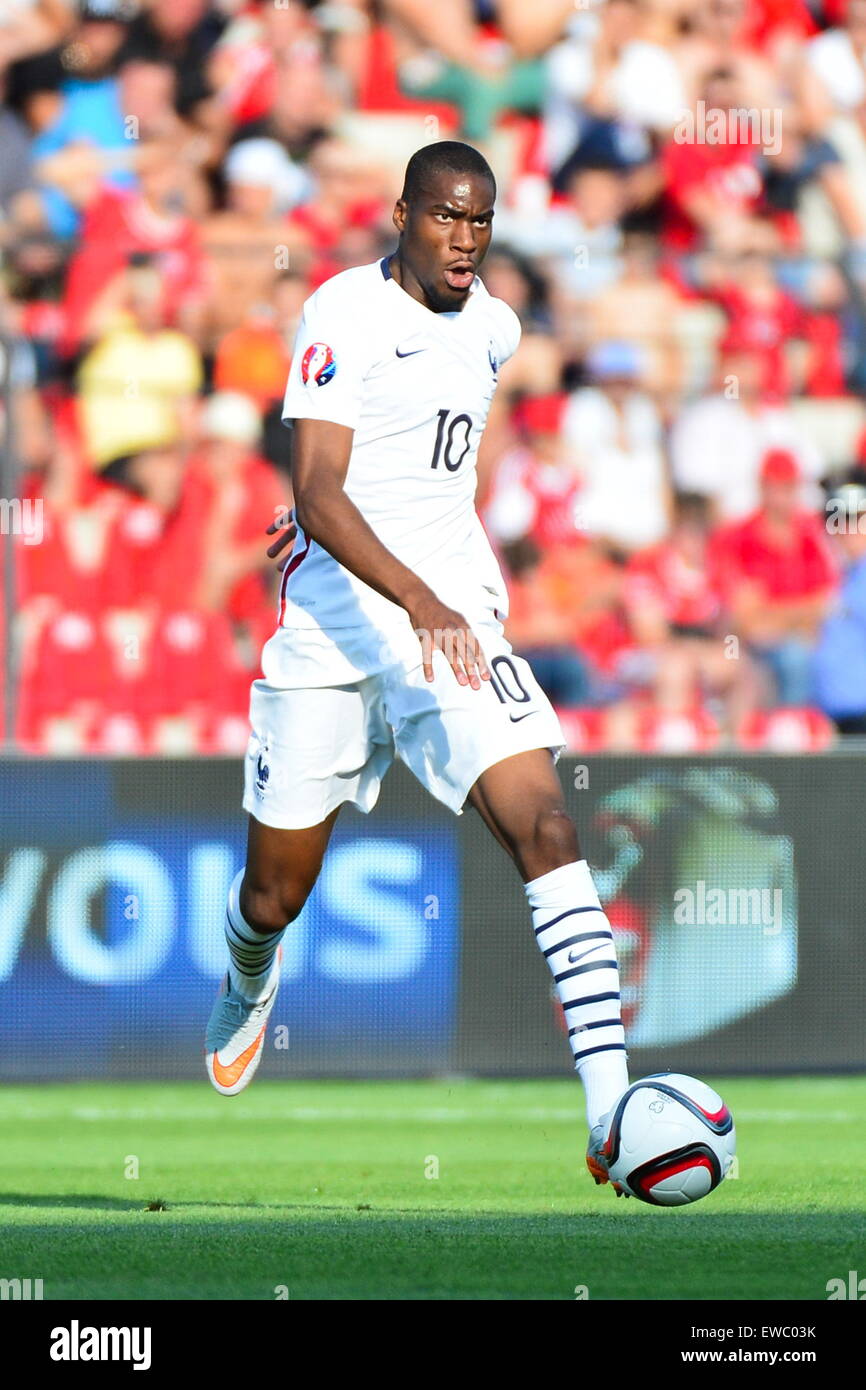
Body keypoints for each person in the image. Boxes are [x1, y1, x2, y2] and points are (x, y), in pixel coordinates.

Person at [204, 141, 630, 1194]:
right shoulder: (343, 312)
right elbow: (322, 488)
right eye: (444, 217)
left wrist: (435, 594)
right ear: (402, 213)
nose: (463, 239)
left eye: (479, 221)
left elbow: (404, 472)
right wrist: (349, 547)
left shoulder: (495, 328)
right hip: (337, 629)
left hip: (454, 625)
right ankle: (251, 974)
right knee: (273, 890)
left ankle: (609, 1104)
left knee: (546, 821)